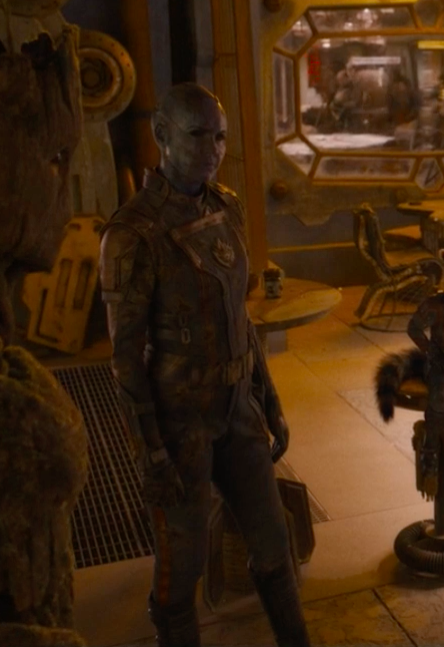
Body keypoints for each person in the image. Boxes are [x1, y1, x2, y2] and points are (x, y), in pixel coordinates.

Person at [99, 83, 308, 647]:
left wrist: (268, 400)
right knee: (179, 573)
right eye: (198, 135)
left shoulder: (225, 205)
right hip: (180, 422)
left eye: (220, 136)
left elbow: (239, 318)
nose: (213, 149)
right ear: (162, 135)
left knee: (274, 546)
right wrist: (150, 454)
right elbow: (125, 361)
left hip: (238, 409)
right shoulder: (132, 233)